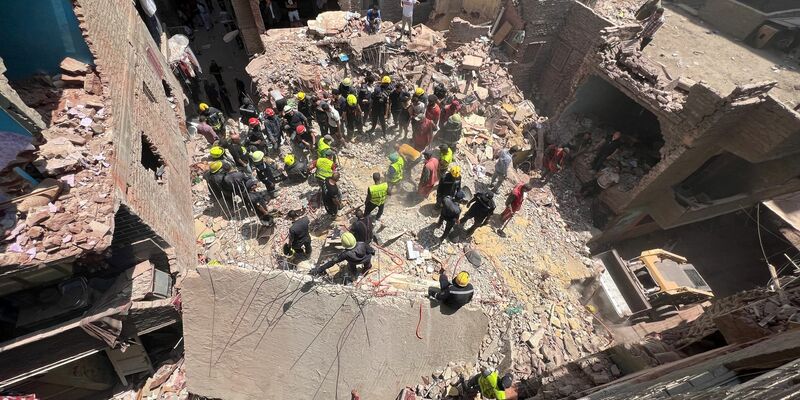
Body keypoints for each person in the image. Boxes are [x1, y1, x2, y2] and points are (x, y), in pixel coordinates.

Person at [310, 232, 375, 280]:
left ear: (343, 244)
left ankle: (354, 271)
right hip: (366, 259)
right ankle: (367, 267)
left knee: (351, 264)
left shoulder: (345, 254)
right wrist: (373, 252)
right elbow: (371, 250)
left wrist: (319, 270)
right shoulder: (362, 244)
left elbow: (332, 261)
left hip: (354, 262)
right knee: (367, 264)